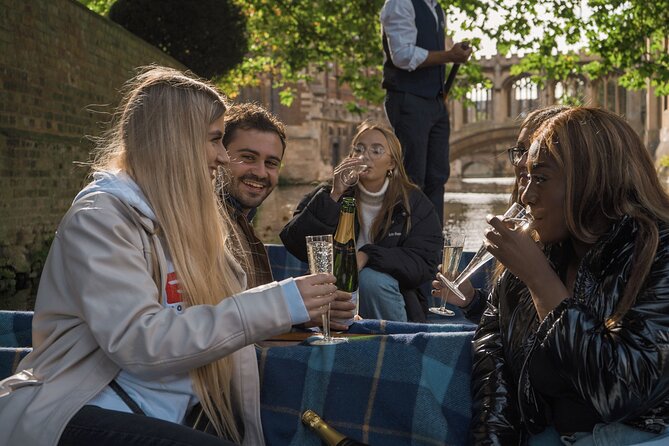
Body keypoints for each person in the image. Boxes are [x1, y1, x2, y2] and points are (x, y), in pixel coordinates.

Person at [0, 66, 338, 446]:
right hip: (82, 408)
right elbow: (142, 343)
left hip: (171, 410)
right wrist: (280, 301)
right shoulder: (101, 218)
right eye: (214, 140)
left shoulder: (184, 221)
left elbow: (212, 322)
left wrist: (297, 312)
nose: (222, 157)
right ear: (174, 141)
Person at [470, 107, 669, 445]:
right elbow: (494, 377)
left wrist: (541, 281)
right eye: (525, 177)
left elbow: (621, 391)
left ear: (594, 180)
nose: (525, 196)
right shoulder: (536, 253)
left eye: (541, 178)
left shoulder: (657, 252)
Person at [280, 119, 442, 323]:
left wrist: (367, 255)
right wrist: (333, 196)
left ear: (391, 163)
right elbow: (294, 242)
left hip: (391, 299)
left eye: (376, 150)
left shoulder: (413, 202)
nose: (364, 156)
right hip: (334, 292)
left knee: (371, 280)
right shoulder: (330, 194)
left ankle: (394, 344)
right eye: (359, 149)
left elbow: (426, 262)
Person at [220, 102, 355, 331]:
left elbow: (248, 320)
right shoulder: (211, 226)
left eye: (271, 163)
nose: (261, 172)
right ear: (218, 156)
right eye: (248, 157)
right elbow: (215, 318)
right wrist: (290, 305)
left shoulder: (242, 224)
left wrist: (303, 315)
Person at [432, 106, 569, 323]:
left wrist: (538, 275)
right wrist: (471, 300)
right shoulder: (520, 217)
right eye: (520, 152)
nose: (524, 162)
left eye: (535, 151)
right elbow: (507, 326)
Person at [380, 0, 472, 225]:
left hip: (435, 102)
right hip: (409, 98)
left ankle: (432, 242)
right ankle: (406, 241)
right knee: (412, 176)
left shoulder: (436, 8)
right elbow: (402, 55)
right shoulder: (400, 3)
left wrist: (452, 56)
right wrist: (450, 56)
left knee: (437, 176)